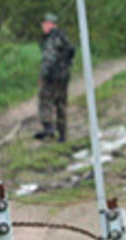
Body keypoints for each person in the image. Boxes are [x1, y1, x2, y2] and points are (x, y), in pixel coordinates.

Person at [35, 11, 76, 142]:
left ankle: (48, 127)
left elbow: (49, 59)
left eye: (44, 24)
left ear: (49, 24)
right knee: (61, 104)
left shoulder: (51, 40)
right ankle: (62, 133)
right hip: (64, 75)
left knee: (44, 100)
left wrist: (43, 76)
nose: (43, 27)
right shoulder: (63, 37)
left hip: (52, 76)